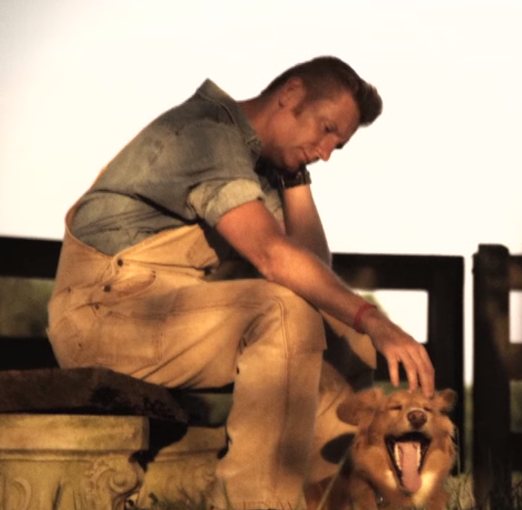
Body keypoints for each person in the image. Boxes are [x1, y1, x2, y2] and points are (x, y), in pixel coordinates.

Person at [46, 56, 435, 510]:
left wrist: (295, 175)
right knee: (284, 310)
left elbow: (311, 267)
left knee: (349, 335)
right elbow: (273, 256)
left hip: (167, 313)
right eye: (326, 130)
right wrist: (375, 318)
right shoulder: (206, 136)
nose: (327, 152)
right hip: (101, 315)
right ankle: (255, 502)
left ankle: (331, 499)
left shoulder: (260, 166)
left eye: (338, 145)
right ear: (290, 95)